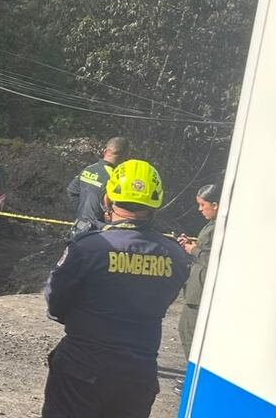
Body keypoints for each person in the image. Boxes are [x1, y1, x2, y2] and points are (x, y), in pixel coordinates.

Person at [41, 159, 190, 418]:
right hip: (137, 375)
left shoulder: (89, 247)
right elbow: (165, 298)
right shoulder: (175, 255)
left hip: (82, 367)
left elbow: (55, 301)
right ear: (156, 203)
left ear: (107, 199)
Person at [177, 183, 220, 357]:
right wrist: (191, 243)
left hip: (201, 294)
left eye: (203, 205)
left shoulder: (220, 227)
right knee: (186, 331)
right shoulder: (212, 224)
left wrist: (193, 249)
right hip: (196, 291)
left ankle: (193, 378)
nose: (200, 209)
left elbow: (215, 259)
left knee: (190, 335)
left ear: (215, 205)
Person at [66, 137, 129, 238]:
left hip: (79, 229)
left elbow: (71, 191)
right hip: (100, 234)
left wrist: (82, 213)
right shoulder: (116, 178)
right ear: (126, 156)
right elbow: (116, 208)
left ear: (105, 151)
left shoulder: (89, 169)